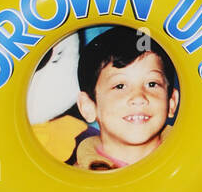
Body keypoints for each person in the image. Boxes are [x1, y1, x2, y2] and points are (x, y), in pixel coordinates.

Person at [68, 26, 179, 171]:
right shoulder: (75, 182)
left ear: (172, 102)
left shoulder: (198, 162)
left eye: (152, 84)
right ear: (88, 106)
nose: (139, 97)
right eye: (120, 86)